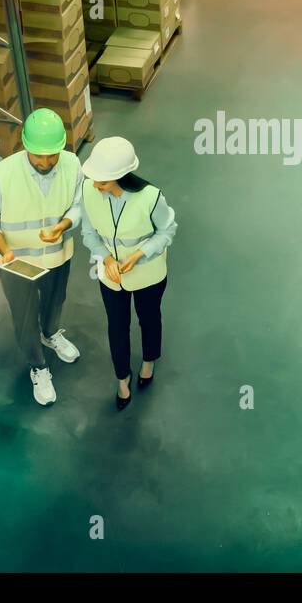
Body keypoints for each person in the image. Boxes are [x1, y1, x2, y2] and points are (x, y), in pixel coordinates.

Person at [0, 109, 83, 406]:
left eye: (53, 155)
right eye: (39, 155)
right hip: (17, 262)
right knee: (25, 319)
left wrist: (63, 225)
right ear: (25, 145)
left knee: (55, 302)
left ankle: (50, 334)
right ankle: (38, 367)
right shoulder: (1, 176)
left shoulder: (73, 165)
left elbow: (78, 206)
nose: (46, 162)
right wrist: (4, 249)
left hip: (57, 255)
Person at [80, 137, 177, 411]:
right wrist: (105, 257)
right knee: (117, 326)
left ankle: (149, 361)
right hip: (111, 275)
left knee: (149, 318)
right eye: (95, 180)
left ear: (120, 177)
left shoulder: (151, 197)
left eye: (103, 182)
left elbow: (167, 231)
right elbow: (88, 232)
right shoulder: (88, 190)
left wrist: (140, 254)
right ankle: (122, 378)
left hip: (148, 272)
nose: (96, 187)